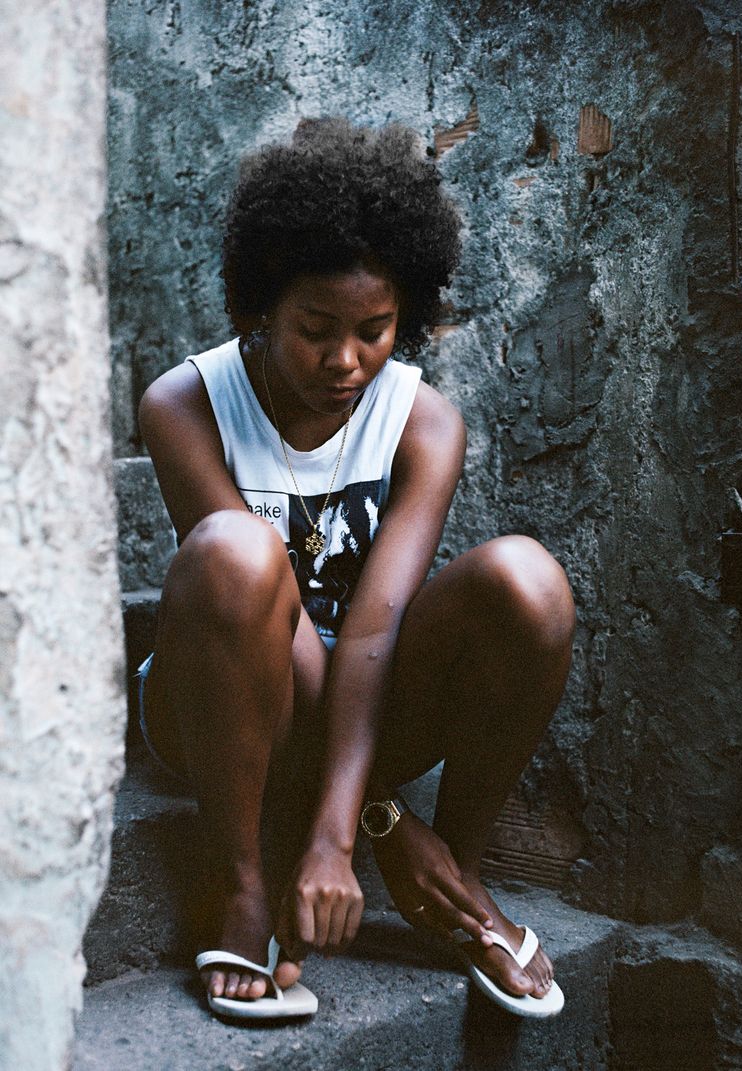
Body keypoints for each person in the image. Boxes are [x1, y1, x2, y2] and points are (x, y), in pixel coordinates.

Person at [137, 116, 575, 1021]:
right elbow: (260, 612)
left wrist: (347, 829)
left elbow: (375, 625)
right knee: (234, 550)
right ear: (258, 307)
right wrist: (378, 818)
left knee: (528, 583)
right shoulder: (185, 405)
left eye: (375, 330)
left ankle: (455, 870)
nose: (345, 361)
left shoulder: (425, 424)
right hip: (226, 698)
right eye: (314, 330)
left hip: (359, 701)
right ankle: (244, 880)